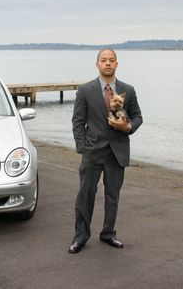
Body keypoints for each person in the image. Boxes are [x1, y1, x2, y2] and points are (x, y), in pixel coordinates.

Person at [69, 48, 143, 254]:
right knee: (85, 195)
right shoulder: (85, 91)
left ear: (117, 64)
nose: (107, 63)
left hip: (117, 153)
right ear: (97, 64)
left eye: (111, 60)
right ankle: (80, 236)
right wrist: (82, 147)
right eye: (104, 60)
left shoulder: (128, 90)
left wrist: (127, 127)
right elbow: (78, 122)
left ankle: (108, 233)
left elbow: (137, 117)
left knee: (113, 196)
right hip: (92, 152)